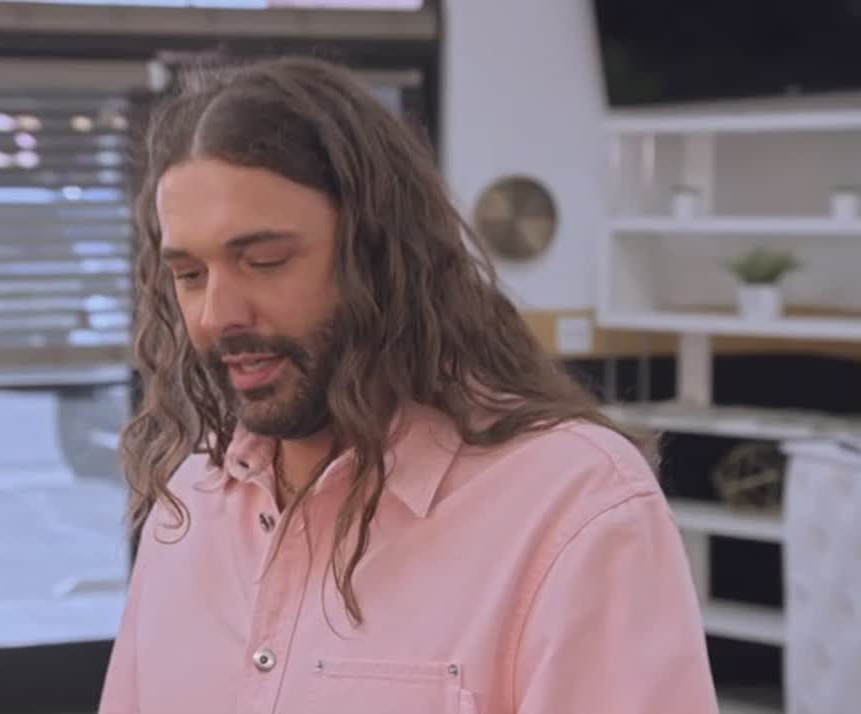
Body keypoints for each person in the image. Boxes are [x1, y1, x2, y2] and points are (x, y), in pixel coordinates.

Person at [100, 57, 719, 714]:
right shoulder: (189, 504)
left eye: (265, 261)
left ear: (378, 256)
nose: (216, 315)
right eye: (190, 275)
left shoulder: (574, 506)